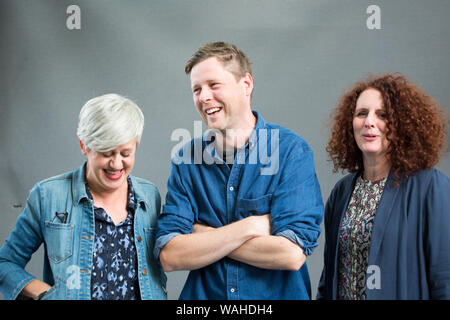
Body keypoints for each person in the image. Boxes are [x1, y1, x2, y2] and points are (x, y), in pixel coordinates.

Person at [155, 41, 324, 299]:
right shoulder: (186, 160)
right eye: (196, 89)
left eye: (213, 85)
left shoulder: (290, 152)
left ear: (246, 84)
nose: (203, 97)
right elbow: (170, 256)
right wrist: (251, 227)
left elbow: (290, 254)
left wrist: (202, 234)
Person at [0, 94, 167, 300]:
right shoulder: (48, 196)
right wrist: (45, 295)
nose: (116, 164)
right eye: (107, 153)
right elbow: (5, 263)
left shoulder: (150, 196)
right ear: (83, 145)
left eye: (125, 153)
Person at [317, 73, 450, 300]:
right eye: (362, 113)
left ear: (401, 125)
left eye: (382, 115)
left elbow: (444, 278)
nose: (369, 122)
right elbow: (328, 278)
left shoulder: (431, 187)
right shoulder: (341, 192)